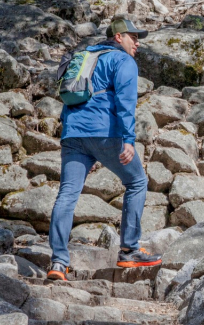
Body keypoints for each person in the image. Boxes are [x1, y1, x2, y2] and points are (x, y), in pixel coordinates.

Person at [47, 19, 161, 281]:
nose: (138, 42)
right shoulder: (123, 62)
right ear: (119, 37)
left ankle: (58, 262)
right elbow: (125, 101)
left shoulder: (86, 55)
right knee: (137, 181)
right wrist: (128, 140)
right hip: (105, 133)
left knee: (67, 194)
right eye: (133, 36)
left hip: (73, 133)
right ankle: (130, 250)